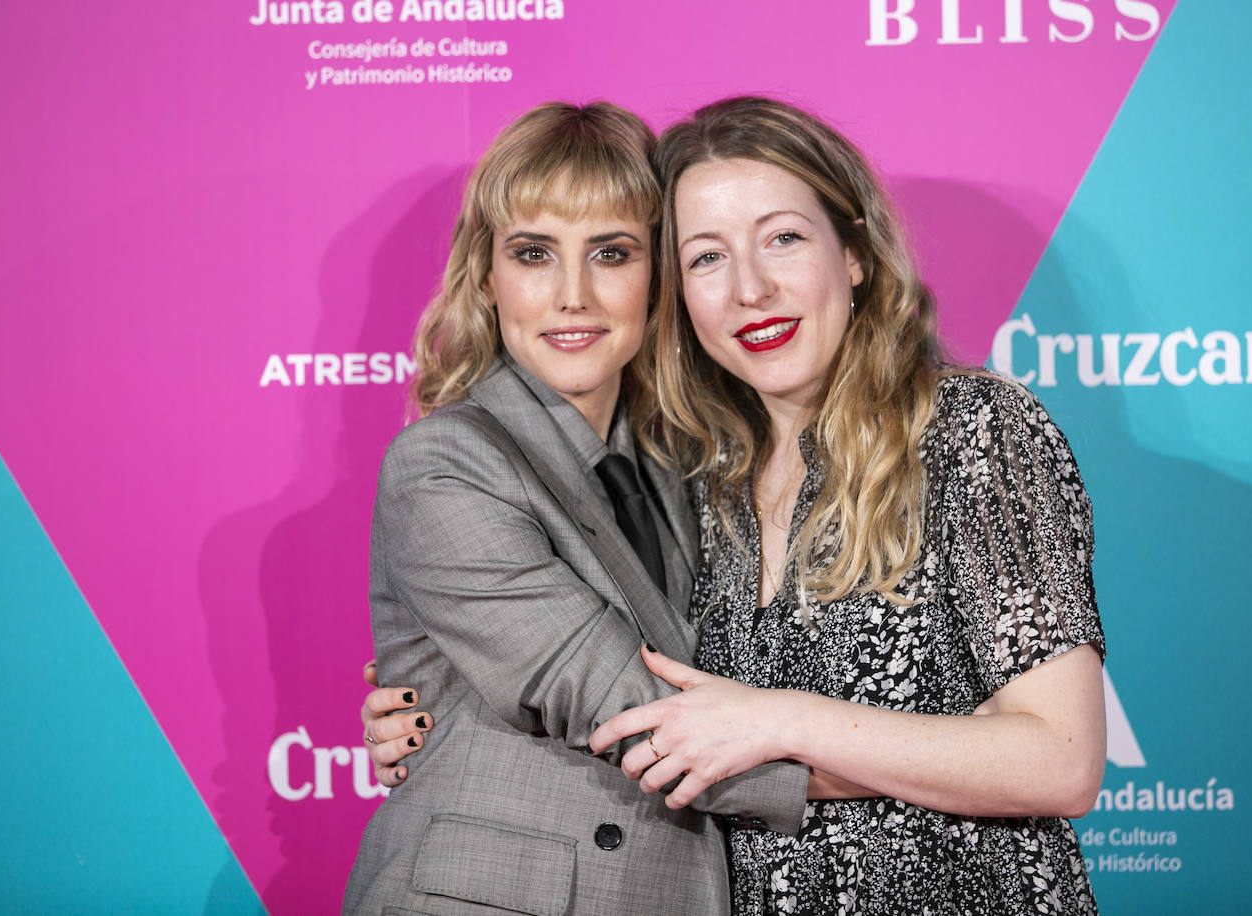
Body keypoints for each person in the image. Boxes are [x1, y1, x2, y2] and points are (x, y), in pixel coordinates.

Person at [369, 96, 1106, 915]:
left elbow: (1062, 761)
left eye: (783, 238)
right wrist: (442, 699)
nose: (751, 288)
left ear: (854, 253)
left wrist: (782, 720)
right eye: (708, 257)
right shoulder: (713, 471)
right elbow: (624, 698)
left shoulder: (968, 429)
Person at [342, 101, 809, 916]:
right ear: (486, 276)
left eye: (611, 253)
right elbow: (632, 710)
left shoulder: (687, 465)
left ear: (658, 276)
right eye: (533, 253)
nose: (572, 295)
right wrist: (917, 767)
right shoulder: (445, 464)